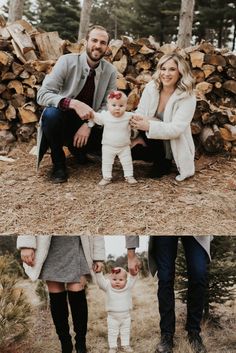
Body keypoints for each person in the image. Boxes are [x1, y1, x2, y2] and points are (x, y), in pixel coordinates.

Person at [37, 25, 117, 183]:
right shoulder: (66, 61)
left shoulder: (111, 71)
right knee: (50, 115)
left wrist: (89, 124)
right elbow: (42, 94)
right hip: (63, 120)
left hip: (89, 124)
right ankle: (58, 163)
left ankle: (80, 150)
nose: (98, 45)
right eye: (94, 40)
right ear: (85, 42)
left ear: (107, 47)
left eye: (103, 42)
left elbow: (109, 105)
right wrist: (72, 103)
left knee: (115, 127)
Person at [17, 235, 105, 353]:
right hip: (50, 244)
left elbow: (95, 222)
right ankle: (65, 344)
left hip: (77, 243)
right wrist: (26, 244)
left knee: (77, 290)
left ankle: (80, 344)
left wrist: (98, 256)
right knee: (56, 295)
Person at [126, 236, 212, 353]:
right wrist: (131, 252)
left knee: (199, 273)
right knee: (165, 277)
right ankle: (167, 335)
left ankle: (194, 332)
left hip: (197, 231)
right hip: (163, 226)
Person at [130, 53, 196, 181]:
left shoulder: (187, 96)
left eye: (172, 69)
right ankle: (139, 144)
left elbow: (176, 129)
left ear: (180, 72)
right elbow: (141, 112)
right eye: (163, 68)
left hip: (171, 144)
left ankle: (164, 161)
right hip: (149, 137)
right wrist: (135, 132)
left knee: (155, 173)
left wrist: (149, 125)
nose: (166, 73)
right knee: (125, 147)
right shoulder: (151, 87)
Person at [91, 90, 137, 186]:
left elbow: (137, 118)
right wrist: (92, 115)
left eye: (121, 106)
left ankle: (129, 176)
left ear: (126, 106)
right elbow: (97, 118)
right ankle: (106, 177)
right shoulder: (105, 116)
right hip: (108, 146)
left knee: (127, 162)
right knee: (107, 162)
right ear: (108, 106)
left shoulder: (128, 116)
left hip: (124, 146)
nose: (117, 108)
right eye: (114, 105)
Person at [95, 266, 137, 353]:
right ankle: (113, 347)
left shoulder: (128, 286)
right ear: (110, 279)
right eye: (114, 279)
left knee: (125, 331)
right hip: (112, 317)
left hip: (126, 316)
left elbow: (133, 278)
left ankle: (125, 345)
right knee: (112, 332)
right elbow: (101, 282)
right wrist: (99, 273)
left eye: (121, 280)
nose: (117, 282)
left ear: (126, 281)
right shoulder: (108, 286)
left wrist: (134, 274)